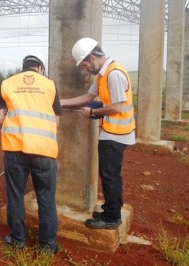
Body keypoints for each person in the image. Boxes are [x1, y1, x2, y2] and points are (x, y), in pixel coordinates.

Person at [60, 37, 136, 229]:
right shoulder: (102, 75)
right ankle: (112, 208)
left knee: (110, 175)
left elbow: (117, 107)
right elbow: (88, 97)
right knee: (110, 174)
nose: (85, 68)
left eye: (85, 64)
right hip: (110, 132)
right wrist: (61, 102)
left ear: (93, 57)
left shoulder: (114, 74)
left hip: (116, 133)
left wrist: (93, 112)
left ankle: (111, 218)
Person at [0, 54, 61, 252]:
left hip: (15, 150)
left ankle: (17, 240)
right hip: (44, 150)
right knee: (46, 198)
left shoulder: (8, 84)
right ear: (40, 68)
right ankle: (47, 245)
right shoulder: (49, 85)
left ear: (23, 68)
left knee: (15, 196)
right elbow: (56, 121)